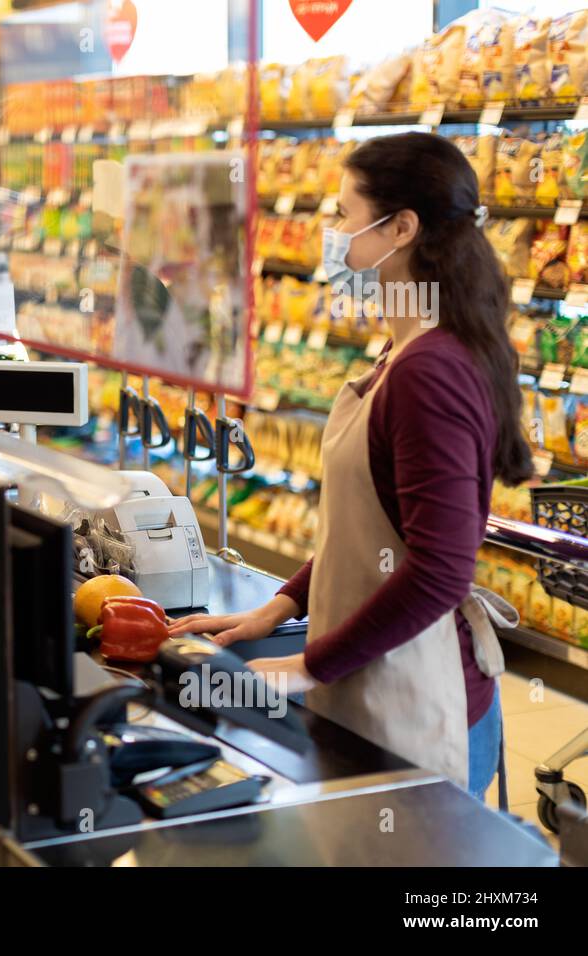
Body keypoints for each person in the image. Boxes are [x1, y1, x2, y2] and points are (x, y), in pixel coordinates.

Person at [170, 132, 532, 801]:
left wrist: (311, 665)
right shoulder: (408, 349)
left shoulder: (431, 369)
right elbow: (370, 537)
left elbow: (441, 569)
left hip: (421, 698)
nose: (329, 232)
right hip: (377, 676)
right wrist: (278, 608)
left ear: (400, 228)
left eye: (341, 214)